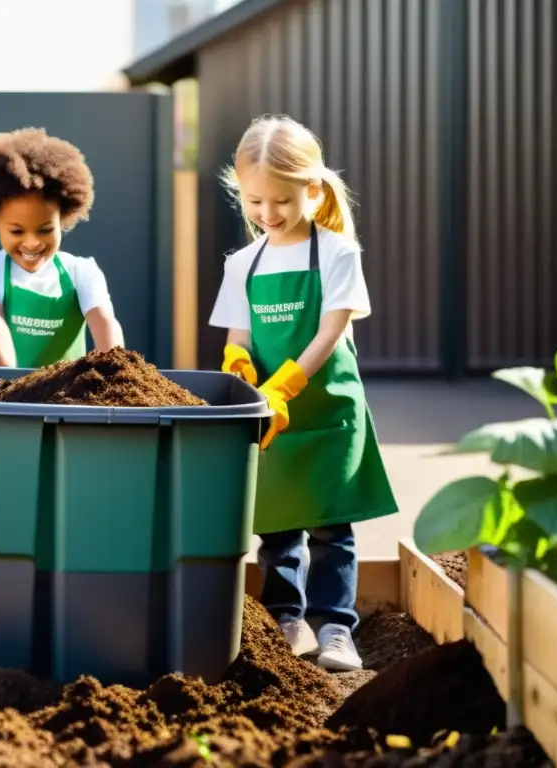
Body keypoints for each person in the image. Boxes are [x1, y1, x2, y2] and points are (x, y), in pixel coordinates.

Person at [209, 115, 397, 671]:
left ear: (312, 190)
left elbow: (330, 331)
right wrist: (239, 364)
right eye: (255, 202)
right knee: (278, 527)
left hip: (326, 409)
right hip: (271, 413)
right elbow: (237, 334)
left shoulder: (338, 253)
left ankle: (336, 628)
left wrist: (287, 384)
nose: (268, 215)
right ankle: (287, 621)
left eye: (282, 201)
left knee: (332, 527)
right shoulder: (242, 263)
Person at [0, 127, 124, 367]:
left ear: (62, 217)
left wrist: (115, 378)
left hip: (71, 401)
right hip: (6, 397)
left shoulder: (82, 272)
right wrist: (6, 398)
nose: (32, 242)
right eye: (17, 231)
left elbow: (105, 323)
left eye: (45, 229)